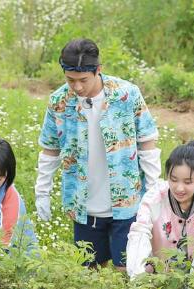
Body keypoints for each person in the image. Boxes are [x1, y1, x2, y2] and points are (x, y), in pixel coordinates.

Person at [35, 38, 161, 270]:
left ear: (98, 70)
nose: (78, 87)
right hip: (83, 203)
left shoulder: (126, 95)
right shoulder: (59, 102)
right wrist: (42, 191)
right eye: (71, 80)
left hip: (126, 200)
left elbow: (147, 143)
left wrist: (154, 191)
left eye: (83, 80)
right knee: (90, 270)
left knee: (129, 268)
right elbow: (50, 150)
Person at [126, 140, 194, 279]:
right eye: (173, 180)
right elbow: (140, 232)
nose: (179, 188)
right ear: (167, 174)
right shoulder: (154, 198)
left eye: (187, 182)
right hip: (159, 270)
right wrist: (137, 275)